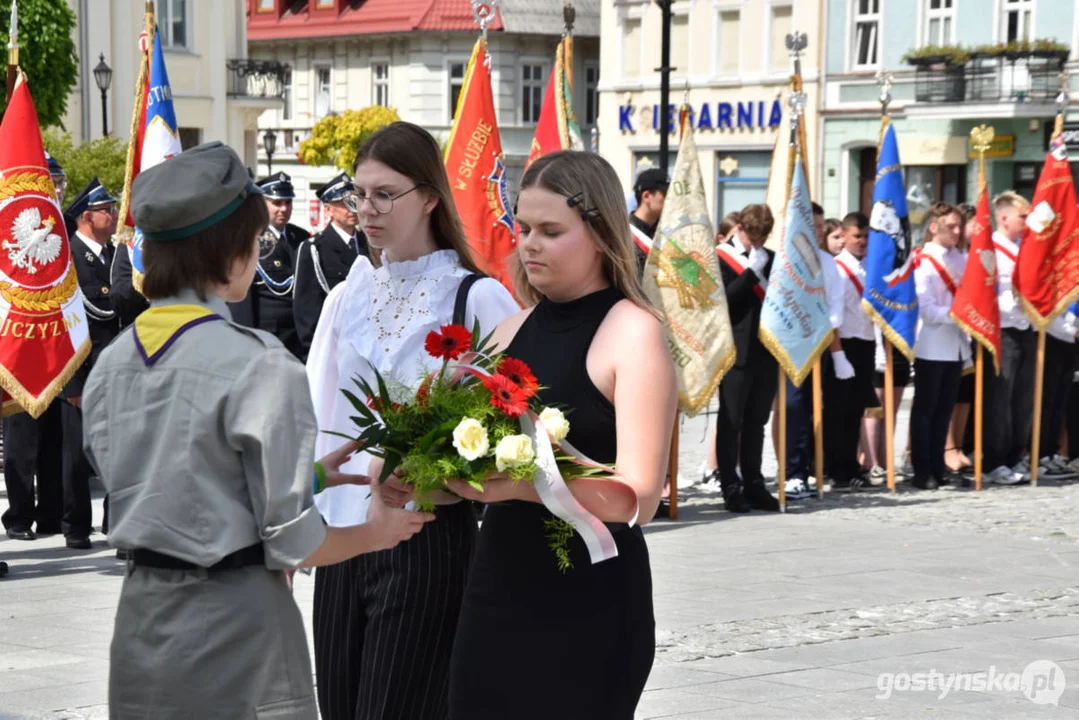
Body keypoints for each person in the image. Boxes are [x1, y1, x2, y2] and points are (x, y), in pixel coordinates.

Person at [81, 141, 432, 719]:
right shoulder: (259, 362)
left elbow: (174, 481)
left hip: (142, 621)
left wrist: (315, 474)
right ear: (231, 252)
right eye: (256, 240)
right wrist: (380, 532)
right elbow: (296, 542)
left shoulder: (113, 363)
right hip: (235, 627)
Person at [445, 149, 676, 720]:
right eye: (522, 228)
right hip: (498, 584)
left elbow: (640, 497)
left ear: (599, 232)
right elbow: (464, 459)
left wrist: (521, 485)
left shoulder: (633, 332)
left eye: (551, 231)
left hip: (589, 598)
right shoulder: (507, 330)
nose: (529, 244)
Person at [305, 122, 519, 720]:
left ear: (429, 197)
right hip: (343, 539)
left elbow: (511, 422)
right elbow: (319, 414)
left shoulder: (474, 298)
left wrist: (439, 466)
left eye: (383, 194)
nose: (366, 210)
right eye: (359, 194)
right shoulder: (345, 296)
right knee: (341, 709)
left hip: (424, 533)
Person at [1, 153, 68, 543]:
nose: (54, 188)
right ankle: (18, 517)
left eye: (58, 182)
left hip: (56, 345)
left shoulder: (66, 229)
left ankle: (50, 515)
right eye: (49, 181)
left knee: (53, 442)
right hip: (18, 347)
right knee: (21, 445)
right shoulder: (8, 230)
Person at [58, 178, 122, 549]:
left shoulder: (116, 257)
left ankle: (116, 524)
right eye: (106, 210)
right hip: (83, 372)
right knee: (77, 458)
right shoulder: (69, 260)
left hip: (116, 369)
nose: (113, 215)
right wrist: (73, 384)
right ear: (86, 217)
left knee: (120, 451)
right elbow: (67, 323)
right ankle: (76, 526)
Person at [713, 204, 781, 512]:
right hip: (734, 352)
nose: (758, 242)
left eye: (763, 236)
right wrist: (751, 273)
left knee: (757, 421)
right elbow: (721, 302)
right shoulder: (719, 258)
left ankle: (754, 482)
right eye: (753, 235)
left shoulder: (771, 258)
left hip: (766, 351)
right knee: (731, 421)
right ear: (739, 228)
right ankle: (730, 484)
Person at [784, 202, 846, 499]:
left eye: (822, 226)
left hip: (818, 342)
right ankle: (790, 472)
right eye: (815, 226)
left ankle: (806, 470)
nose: (820, 232)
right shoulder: (787, 261)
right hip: (791, 344)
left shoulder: (827, 262)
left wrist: (824, 325)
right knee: (792, 407)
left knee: (811, 408)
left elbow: (836, 302)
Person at [910, 203, 969, 490]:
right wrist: (957, 315)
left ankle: (938, 464)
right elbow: (925, 308)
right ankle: (921, 469)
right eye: (951, 226)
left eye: (960, 226)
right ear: (934, 227)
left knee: (944, 409)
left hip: (956, 344)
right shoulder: (923, 259)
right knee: (926, 410)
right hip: (931, 344)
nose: (957, 231)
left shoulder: (960, 258)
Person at [229, 172, 310, 359]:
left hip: (299, 337)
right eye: (277, 203)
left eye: (288, 202)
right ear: (263, 203)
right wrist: (246, 339)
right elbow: (243, 299)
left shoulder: (301, 237)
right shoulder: (249, 240)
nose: (283, 208)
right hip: (268, 336)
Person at [983, 191, 1034, 485]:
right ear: (1004, 219)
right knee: (1000, 399)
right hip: (1002, 330)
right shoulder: (990, 250)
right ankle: (995, 459)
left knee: (1023, 398)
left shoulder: (1024, 248)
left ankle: (1016, 454)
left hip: (1026, 329)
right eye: (1022, 217)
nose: (1027, 222)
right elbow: (986, 296)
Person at [293, 171, 368, 359]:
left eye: (354, 201)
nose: (352, 209)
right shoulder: (314, 249)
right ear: (327, 209)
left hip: (366, 343)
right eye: (344, 204)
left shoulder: (369, 244)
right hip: (331, 347)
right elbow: (306, 311)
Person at [832, 211, 879, 489]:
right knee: (840, 410)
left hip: (866, 342)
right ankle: (838, 468)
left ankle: (851, 464)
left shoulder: (870, 268)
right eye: (857, 236)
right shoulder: (838, 268)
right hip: (844, 343)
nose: (862, 242)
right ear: (845, 235)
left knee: (856, 408)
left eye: (865, 237)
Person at [628, 168, 668, 275]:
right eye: (666, 195)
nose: (670, 200)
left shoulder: (666, 233)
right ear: (646, 196)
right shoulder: (623, 233)